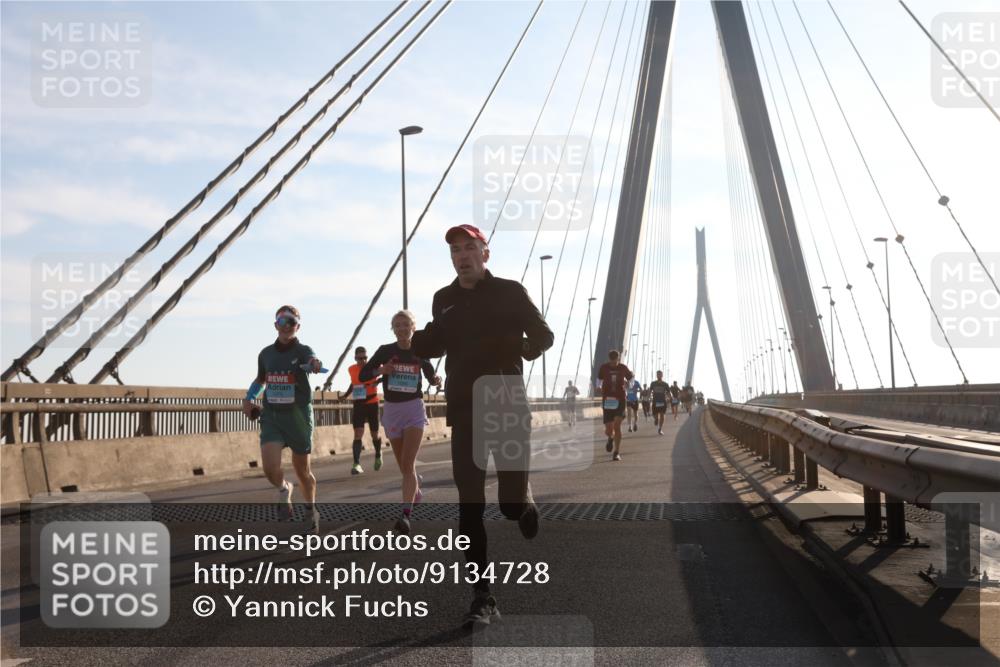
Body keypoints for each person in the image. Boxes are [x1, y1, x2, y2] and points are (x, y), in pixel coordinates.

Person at [411, 223, 553, 629]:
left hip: (507, 407)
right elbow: (436, 343)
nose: (461, 256)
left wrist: (526, 349)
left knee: (508, 507)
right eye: (454, 250)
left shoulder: (510, 291)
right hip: (465, 411)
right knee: (469, 506)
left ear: (484, 253)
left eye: (468, 247)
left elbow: (544, 334)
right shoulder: (444, 299)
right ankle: (482, 595)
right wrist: (415, 342)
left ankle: (522, 502)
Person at [243, 306, 324, 533]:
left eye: (291, 321)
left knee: (303, 472)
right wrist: (249, 399)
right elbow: (261, 380)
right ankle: (283, 488)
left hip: (298, 418)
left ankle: (310, 510)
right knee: (270, 467)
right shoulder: (266, 354)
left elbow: (313, 359)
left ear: (297, 326)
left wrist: (315, 364)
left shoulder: (304, 350)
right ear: (275, 324)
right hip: (272, 416)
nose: (286, 325)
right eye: (282, 321)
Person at [360, 310, 441, 535]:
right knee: (405, 467)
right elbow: (364, 374)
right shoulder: (386, 351)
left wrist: (435, 380)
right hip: (393, 410)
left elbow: (431, 376)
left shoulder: (420, 351)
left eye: (406, 325)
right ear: (393, 329)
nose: (402, 328)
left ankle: (405, 516)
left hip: (414, 409)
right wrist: (381, 370)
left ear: (413, 328)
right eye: (398, 325)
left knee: (408, 464)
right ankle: (414, 485)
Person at [340, 346, 383, 475]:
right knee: (358, 433)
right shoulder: (351, 369)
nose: (363, 360)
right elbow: (353, 383)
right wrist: (346, 395)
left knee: (374, 433)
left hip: (372, 403)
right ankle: (356, 464)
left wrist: (379, 381)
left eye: (365, 357)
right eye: (360, 358)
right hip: (358, 403)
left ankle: (378, 454)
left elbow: (386, 374)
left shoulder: (373, 367)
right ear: (355, 358)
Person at [597, 350, 633, 461]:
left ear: (618, 358)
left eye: (615, 360)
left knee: (617, 426)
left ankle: (616, 452)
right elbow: (599, 378)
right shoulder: (604, 367)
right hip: (607, 400)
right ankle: (610, 438)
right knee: (609, 430)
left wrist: (629, 385)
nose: (613, 363)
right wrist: (598, 386)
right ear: (609, 359)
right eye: (612, 361)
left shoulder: (623, 367)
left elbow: (631, 378)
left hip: (620, 399)